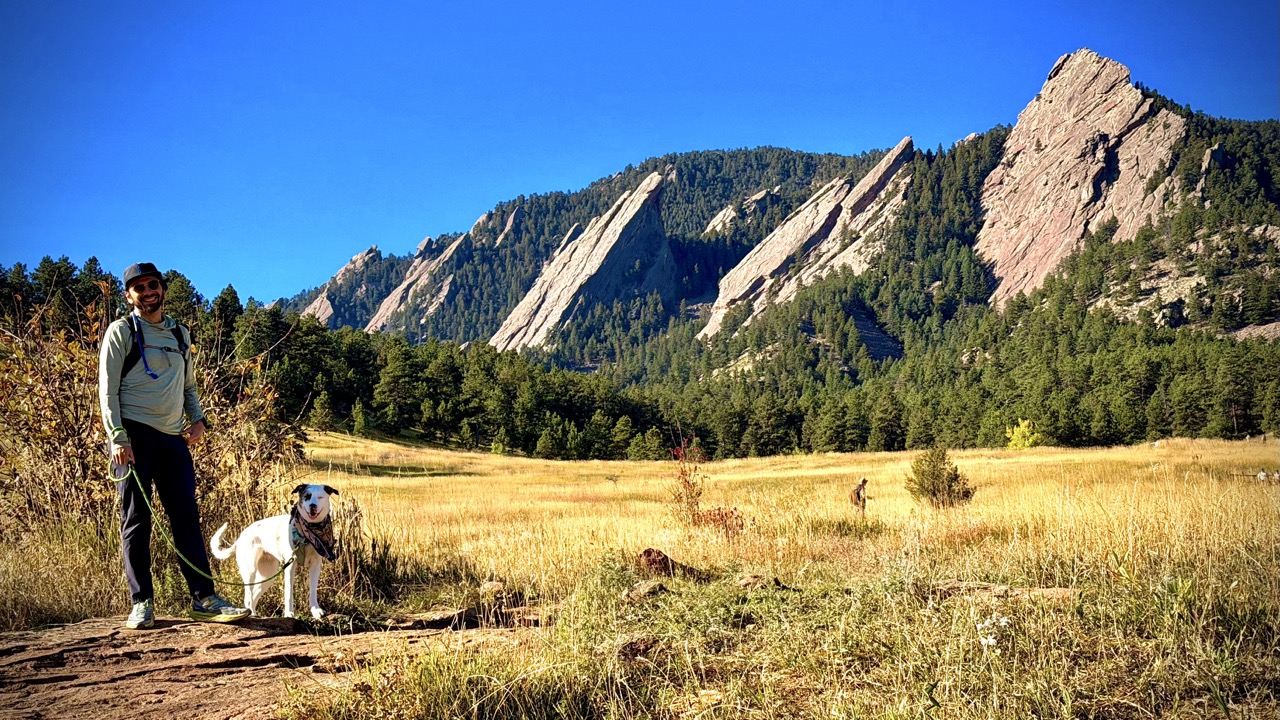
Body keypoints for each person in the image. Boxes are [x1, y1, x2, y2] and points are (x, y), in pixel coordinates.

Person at [98, 262, 250, 629]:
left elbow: (188, 386)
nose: (147, 291)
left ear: (163, 289)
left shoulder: (179, 334)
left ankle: (204, 599)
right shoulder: (121, 332)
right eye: (139, 288)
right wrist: (118, 438)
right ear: (129, 296)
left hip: (172, 439)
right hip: (133, 438)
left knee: (185, 518)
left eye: (153, 285)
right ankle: (142, 603)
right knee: (136, 521)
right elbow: (106, 389)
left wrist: (198, 420)